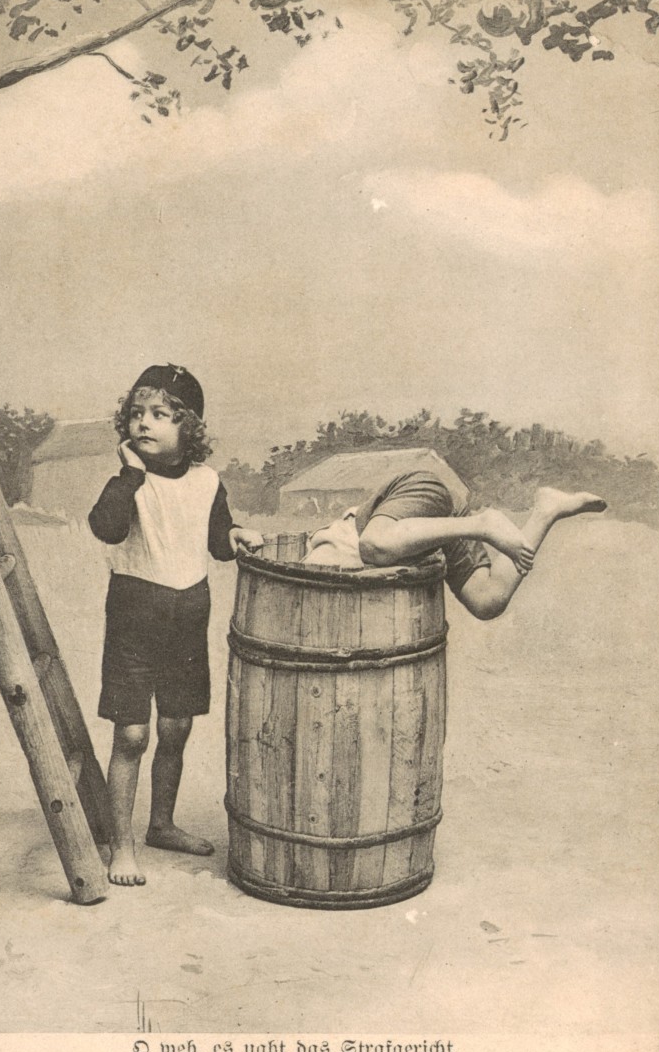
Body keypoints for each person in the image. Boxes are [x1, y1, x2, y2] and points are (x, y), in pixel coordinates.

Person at [89, 364, 263, 887]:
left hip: (189, 614)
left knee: (176, 727)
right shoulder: (129, 480)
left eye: (161, 415)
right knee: (133, 733)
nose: (145, 423)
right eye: (137, 414)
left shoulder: (208, 480)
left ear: (188, 426)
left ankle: (161, 824)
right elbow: (106, 528)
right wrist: (129, 476)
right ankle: (121, 847)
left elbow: (215, 542)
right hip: (134, 613)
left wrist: (236, 535)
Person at [302, 466, 607, 617]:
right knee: (487, 599)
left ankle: (481, 523)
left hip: (413, 497)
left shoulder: (419, 493)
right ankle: (546, 511)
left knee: (375, 545)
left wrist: (477, 527)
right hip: (421, 522)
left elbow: (373, 545)